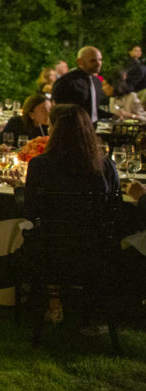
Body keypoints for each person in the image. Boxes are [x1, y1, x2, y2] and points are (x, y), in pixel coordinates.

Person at [16, 104, 122, 323]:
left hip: (50, 252)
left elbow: (30, 212)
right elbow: (115, 208)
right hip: (97, 251)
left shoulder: (41, 165)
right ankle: (94, 309)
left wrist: (20, 191)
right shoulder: (104, 166)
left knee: (40, 235)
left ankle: (52, 303)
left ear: (56, 130)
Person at [52, 45, 110, 123]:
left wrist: (113, 116)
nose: (98, 63)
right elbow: (59, 110)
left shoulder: (96, 82)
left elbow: (93, 110)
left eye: (100, 60)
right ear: (80, 61)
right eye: (93, 60)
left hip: (92, 127)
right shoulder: (66, 81)